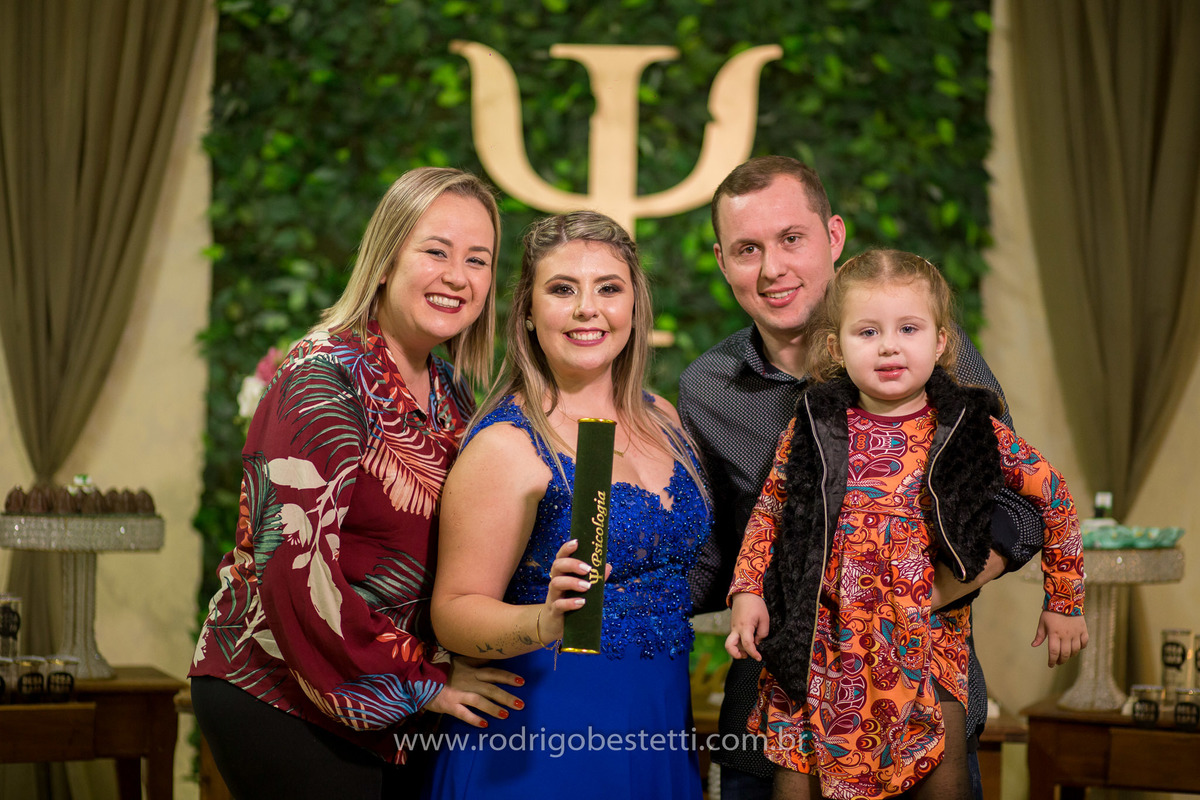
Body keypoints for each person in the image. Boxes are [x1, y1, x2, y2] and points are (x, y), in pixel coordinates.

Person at [678, 156, 1046, 800]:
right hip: (776, 720)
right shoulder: (707, 388)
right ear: (721, 260)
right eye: (747, 249)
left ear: (834, 236)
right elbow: (713, 554)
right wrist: (602, 597)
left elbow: (1019, 504)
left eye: (791, 239)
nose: (772, 268)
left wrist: (919, 596)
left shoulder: (925, 350)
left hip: (920, 705)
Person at [189, 167, 524, 800]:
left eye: (477, 259)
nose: (458, 276)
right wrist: (423, 682)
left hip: (395, 696)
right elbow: (293, 565)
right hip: (285, 690)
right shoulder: (325, 376)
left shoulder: (452, 392)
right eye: (436, 251)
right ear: (386, 259)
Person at [724, 249, 1087, 798]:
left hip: (927, 649)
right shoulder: (815, 426)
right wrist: (748, 590)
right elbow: (771, 510)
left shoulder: (969, 427)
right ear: (836, 347)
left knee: (942, 777)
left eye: (909, 329)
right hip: (822, 651)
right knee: (796, 783)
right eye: (867, 332)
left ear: (940, 342)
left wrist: (1064, 601)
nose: (889, 346)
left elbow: (1053, 497)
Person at [424, 211, 712, 799]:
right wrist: (545, 620)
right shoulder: (507, 444)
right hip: (544, 736)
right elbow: (452, 611)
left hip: (658, 723)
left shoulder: (663, 418)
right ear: (528, 312)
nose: (587, 309)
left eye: (609, 288)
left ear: (635, 305)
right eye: (562, 289)